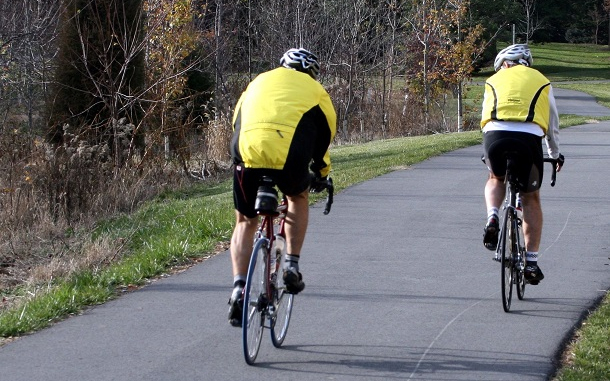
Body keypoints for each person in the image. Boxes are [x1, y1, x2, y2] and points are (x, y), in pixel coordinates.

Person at [227, 48, 337, 327]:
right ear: (312, 72)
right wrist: (321, 173)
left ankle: (239, 289)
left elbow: (237, 120)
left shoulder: (258, 81)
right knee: (297, 196)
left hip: (247, 153)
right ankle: (291, 264)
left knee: (244, 221)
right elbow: (325, 135)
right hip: (289, 157)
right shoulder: (316, 90)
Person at [481, 44, 564, 285]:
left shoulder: (492, 80)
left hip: (495, 136)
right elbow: (553, 123)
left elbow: (485, 119)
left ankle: (493, 217)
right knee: (531, 198)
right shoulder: (542, 80)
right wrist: (555, 154)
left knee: (496, 178)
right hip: (528, 138)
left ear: (504, 64)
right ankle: (531, 262)